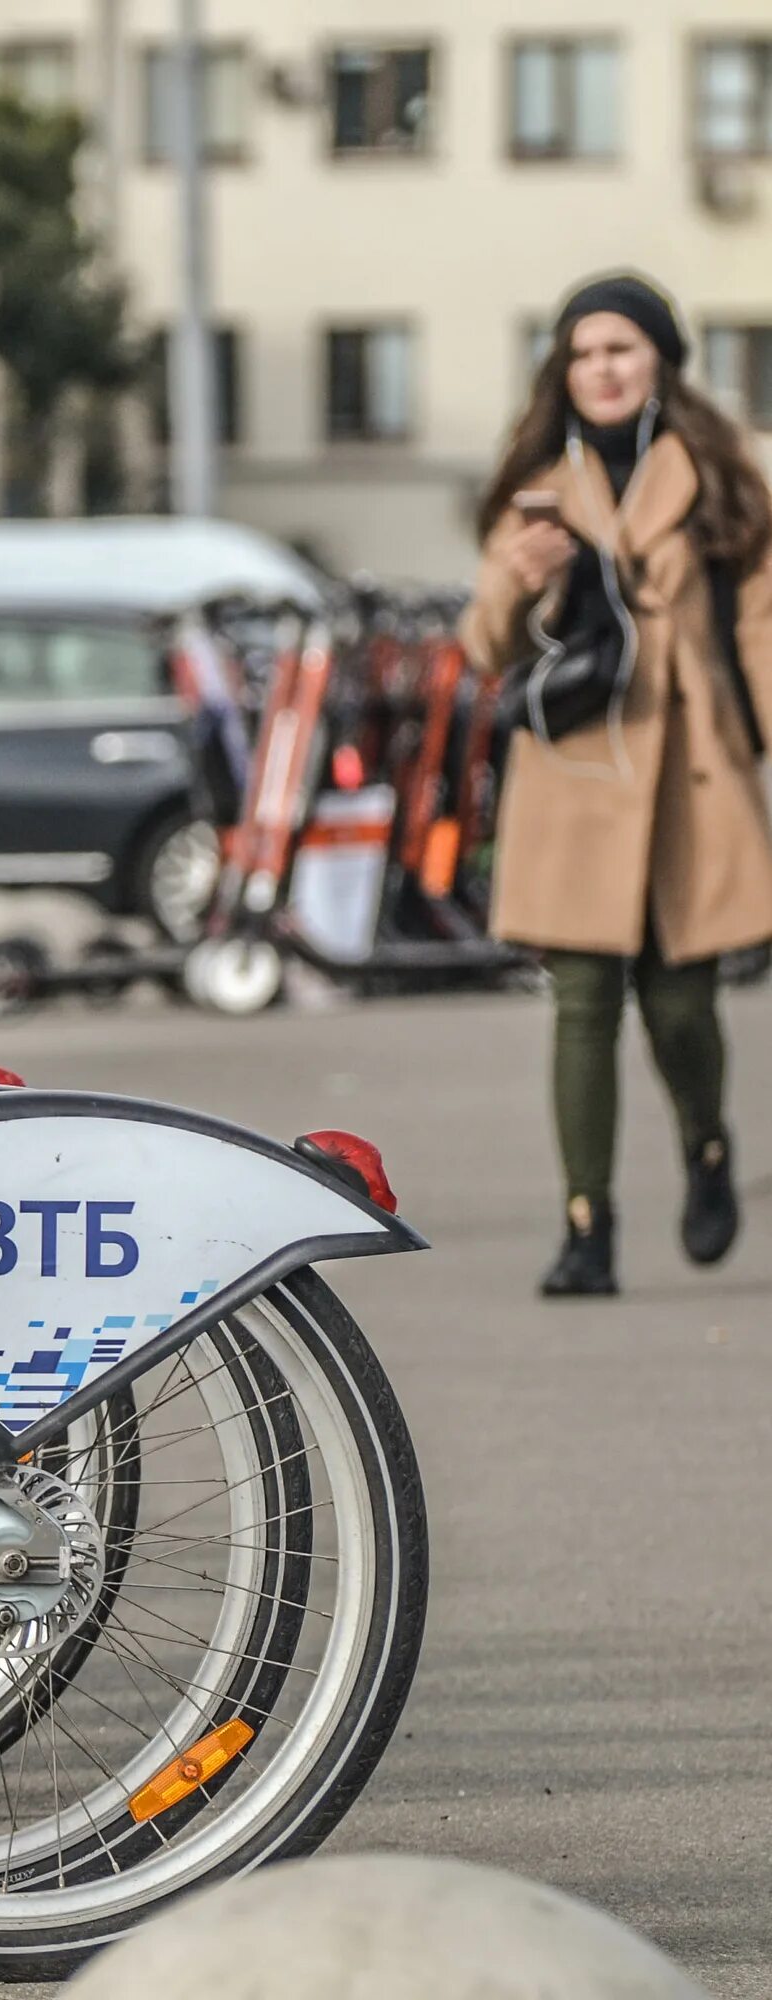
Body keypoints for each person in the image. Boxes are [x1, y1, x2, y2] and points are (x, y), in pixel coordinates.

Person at [468, 273, 772, 1296]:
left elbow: (761, 629)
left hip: (690, 776)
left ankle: (707, 1144)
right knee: (584, 1002)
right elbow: (485, 648)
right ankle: (585, 1227)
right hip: (578, 773)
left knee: (682, 1006)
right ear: (563, 367)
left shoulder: (725, 480)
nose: (601, 369)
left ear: (659, 362)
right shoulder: (535, 488)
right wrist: (516, 575)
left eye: (622, 349)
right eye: (584, 352)